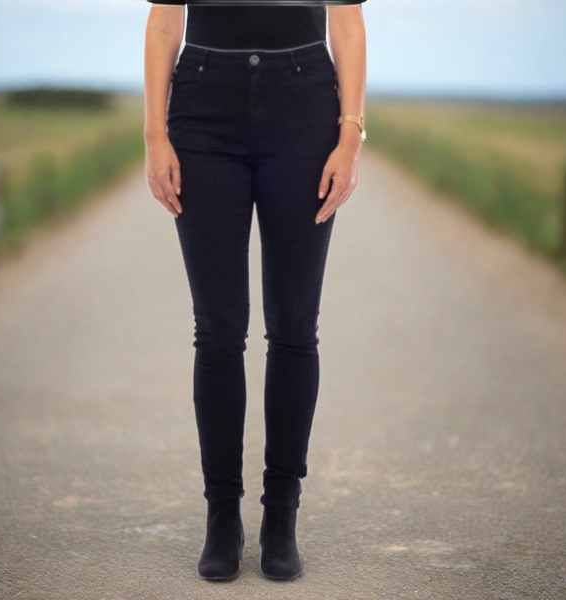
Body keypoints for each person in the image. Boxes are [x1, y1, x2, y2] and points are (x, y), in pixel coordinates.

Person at [144, 0, 366, 582]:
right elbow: (165, 19)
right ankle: (222, 517)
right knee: (217, 327)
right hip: (202, 106)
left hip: (305, 104)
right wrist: (154, 135)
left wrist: (350, 136)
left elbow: (347, 22)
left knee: (294, 323)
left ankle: (281, 517)